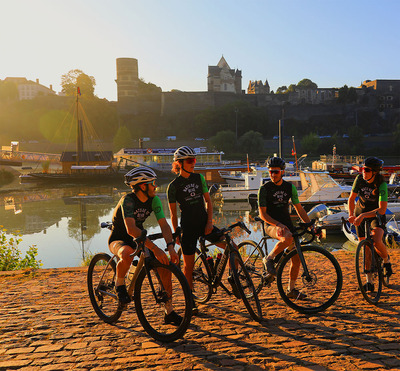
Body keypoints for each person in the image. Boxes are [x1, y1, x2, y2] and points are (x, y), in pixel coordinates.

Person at [108, 166, 181, 325]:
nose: (156, 186)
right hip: (119, 238)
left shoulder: (154, 200)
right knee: (127, 254)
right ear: (143, 186)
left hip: (139, 238)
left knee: (164, 265)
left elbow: (164, 225)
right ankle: (119, 284)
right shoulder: (127, 200)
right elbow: (131, 229)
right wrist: (155, 247)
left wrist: (170, 248)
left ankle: (169, 311)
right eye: (153, 183)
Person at [167, 146, 225, 315]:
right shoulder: (173, 186)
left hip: (203, 223)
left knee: (231, 247)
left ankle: (233, 279)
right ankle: (189, 299)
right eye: (189, 161)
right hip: (188, 227)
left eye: (194, 160)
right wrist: (176, 232)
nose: (193, 163)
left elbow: (208, 201)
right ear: (179, 163)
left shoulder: (199, 178)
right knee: (188, 267)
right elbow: (172, 213)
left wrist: (209, 222)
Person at [258, 156, 311, 299]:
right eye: (270, 172)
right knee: (287, 238)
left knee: (296, 259)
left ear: (282, 172)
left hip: (287, 225)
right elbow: (262, 214)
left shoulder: (290, 187)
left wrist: (310, 224)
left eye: (275, 172)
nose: (273, 175)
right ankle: (268, 259)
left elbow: (299, 208)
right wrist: (278, 224)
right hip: (271, 224)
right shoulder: (264, 189)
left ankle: (291, 290)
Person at [348, 156, 392, 291]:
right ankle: (369, 281)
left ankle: (386, 260)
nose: (363, 172)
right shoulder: (359, 179)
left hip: (375, 214)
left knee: (377, 240)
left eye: (366, 170)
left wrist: (363, 215)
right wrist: (351, 215)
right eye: (362, 169)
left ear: (374, 172)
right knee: (366, 249)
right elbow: (351, 199)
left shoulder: (381, 184)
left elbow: (382, 209)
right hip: (359, 212)